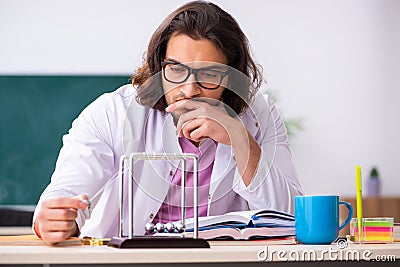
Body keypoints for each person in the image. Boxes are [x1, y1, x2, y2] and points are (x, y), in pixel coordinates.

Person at [33, 0, 303, 245]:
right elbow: (66, 194)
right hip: (126, 261)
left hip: (218, 261)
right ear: (159, 67)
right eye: (175, 69)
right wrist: (53, 219)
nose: (189, 89)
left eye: (209, 74)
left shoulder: (260, 115)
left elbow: (289, 216)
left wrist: (239, 137)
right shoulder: (114, 112)